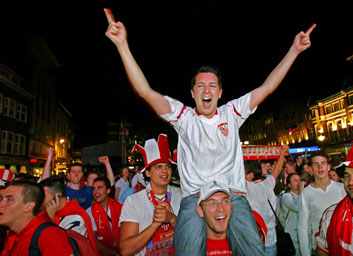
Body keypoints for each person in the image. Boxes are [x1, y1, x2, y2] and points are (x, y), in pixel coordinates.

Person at [105, 8, 315, 255]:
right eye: (201, 85)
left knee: (254, 251)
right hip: (194, 198)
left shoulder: (232, 113)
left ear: (220, 93)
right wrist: (122, 47)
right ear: (193, 93)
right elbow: (145, 91)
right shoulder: (183, 117)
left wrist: (294, 51)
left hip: (233, 197)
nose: (207, 89)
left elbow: (267, 87)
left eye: (212, 85)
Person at [119, 134, 181, 256]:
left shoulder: (181, 195)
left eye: (167, 166)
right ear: (147, 173)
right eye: (158, 167)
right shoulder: (133, 201)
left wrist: (172, 219)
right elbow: (125, 250)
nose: (165, 171)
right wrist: (155, 224)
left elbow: (192, 237)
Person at [0, 180, 74, 255]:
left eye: (9, 200)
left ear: (29, 206)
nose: (1, 204)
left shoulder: (48, 234)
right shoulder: (12, 233)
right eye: (1, 199)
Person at [298, 151, 346, 256]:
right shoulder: (306, 193)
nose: (320, 167)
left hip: (342, 245)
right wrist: (305, 253)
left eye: (323, 163)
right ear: (310, 169)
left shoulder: (342, 189)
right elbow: (303, 226)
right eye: (316, 164)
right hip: (320, 249)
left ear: (328, 167)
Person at [244, 145, 288, 255]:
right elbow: (277, 170)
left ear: (250, 175)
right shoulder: (268, 184)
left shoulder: (248, 187)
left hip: (255, 243)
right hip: (271, 240)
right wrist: (282, 153)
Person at [40, 176, 99, 255]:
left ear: (57, 197)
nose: (40, 200)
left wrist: (50, 218)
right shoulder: (44, 212)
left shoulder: (76, 217)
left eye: (43, 197)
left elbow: (60, 246)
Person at [87, 177, 122, 256]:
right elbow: (94, 241)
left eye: (99, 188)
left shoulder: (120, 208)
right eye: (94, 189)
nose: (96, 192)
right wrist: (115, 254)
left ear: (108, 190)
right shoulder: (89, 212)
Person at [196, 181, 233, 256]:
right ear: (200, 210)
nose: (221, 209)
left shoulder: (249, 242)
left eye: (225, 201)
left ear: (231, 206)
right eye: (212, 203)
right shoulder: (186, 248)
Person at [282, 173, 305, 256]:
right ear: (289, 185)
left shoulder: (303, 195)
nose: (298, 182)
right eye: (295, 181)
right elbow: (297, 208)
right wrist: (302, 192)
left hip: (303, 232)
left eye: (299, 180)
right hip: (292, 233)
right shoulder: (286, 196)